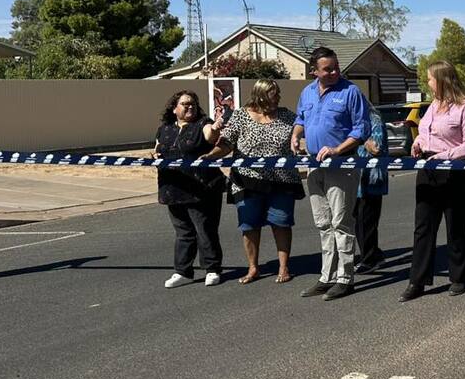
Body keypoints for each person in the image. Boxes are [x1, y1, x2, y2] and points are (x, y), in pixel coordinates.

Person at [202, 79, 302, 285]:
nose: (278, 98)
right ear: (261, 96)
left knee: (281, 223)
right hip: (247, 181)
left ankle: (284, 267)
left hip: (281, 180)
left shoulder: (286, 115)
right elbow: (227, 143)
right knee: (249, 225)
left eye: (278, 94)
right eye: (274, 94)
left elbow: (300, 134)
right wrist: (211, 156)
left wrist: (299, 146)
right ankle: (253, 267)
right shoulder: (241, 116)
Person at [399, 61, 465, 301]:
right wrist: (418, 144)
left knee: (455, 226)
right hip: (428, 170)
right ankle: (417, 281)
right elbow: (426, 133)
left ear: (443, 80)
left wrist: (443, 156)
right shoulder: (433, 105)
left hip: (456, 172)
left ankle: (459, 277)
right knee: (423, 227)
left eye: (430, 79)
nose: (427, 83)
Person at [291, 47, 371, 302]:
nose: (335, 72)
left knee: (341, 222)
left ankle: (345, 278)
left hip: (343, 166)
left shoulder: (351, 92)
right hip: (315, 166)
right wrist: (295, 135)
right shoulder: (307, 92)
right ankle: (326, 277)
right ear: (314, 71)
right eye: (328, 69)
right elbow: (301, 118)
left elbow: (362, 129)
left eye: (336, 67)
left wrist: (338, 149)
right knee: (323, 223)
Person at [154, 90, 226, 288]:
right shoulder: (165, 129)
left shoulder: (202, 124)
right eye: (185, 104)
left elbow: (210, 136)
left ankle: (212, 269)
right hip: (173, 188)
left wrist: (217, 126)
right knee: (183, 232)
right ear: (174, 108)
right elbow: (157, 149)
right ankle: (183, 271)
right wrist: (155, 156)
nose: (190, 106)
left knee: (205, 230)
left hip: (201, 188)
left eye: (193, 103)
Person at [354, 106, 389, 274]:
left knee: (366, 220)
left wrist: (361, 141)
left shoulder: (373, 119)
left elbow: (376, 147)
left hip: (370, 178)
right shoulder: (354, 120)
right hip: (354, 178)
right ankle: (374, 253)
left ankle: (369, 259)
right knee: (358, 219)